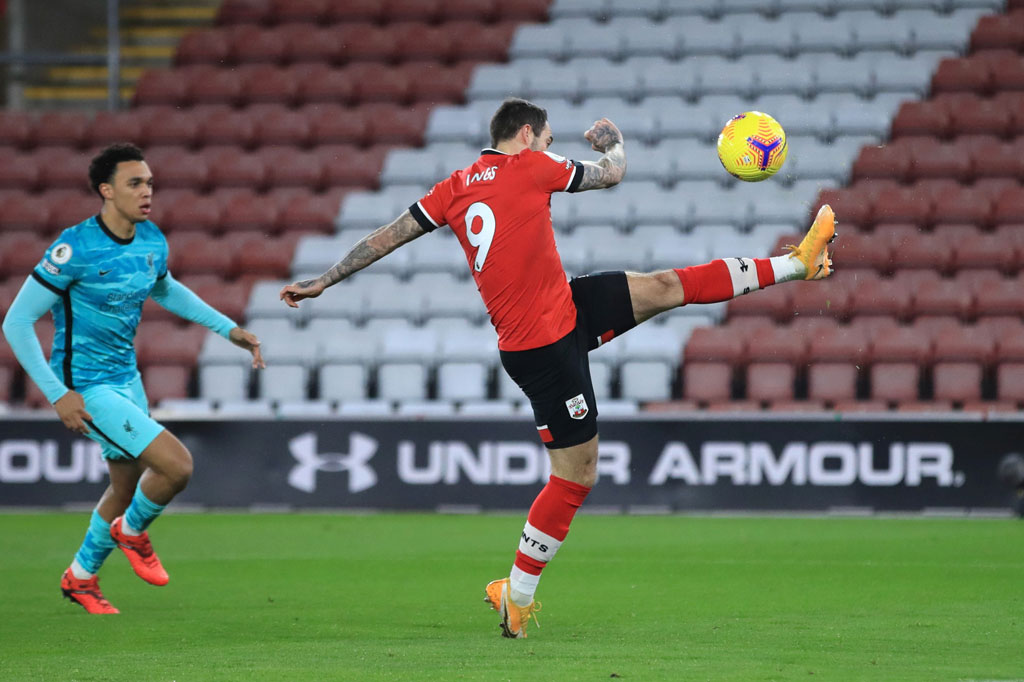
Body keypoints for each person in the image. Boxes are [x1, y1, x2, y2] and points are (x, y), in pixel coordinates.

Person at [279, 98, 836, 638]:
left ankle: (796, 262)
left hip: (563, 306)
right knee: (577, 474)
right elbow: (612, 174)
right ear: (527, 135)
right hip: (540, 349)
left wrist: (326, 279)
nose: (550, 145)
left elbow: (385, 237)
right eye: (548, 137)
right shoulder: (531, 166)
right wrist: (613, 141)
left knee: (666, 286)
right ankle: (515, 597)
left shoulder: (451, 188)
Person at [1, 143, 265, 614]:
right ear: (106, 191)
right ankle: (132, 531)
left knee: (125, 488)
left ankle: (80, 578)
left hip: (127, 378)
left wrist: (227, 329)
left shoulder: (150, 240)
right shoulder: (73, 248)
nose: (147, 192)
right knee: (176, 466)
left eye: (149, 183)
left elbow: (165, 287)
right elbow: (16, 323)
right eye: (135, 183)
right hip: (87, 384)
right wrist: (58, 394)